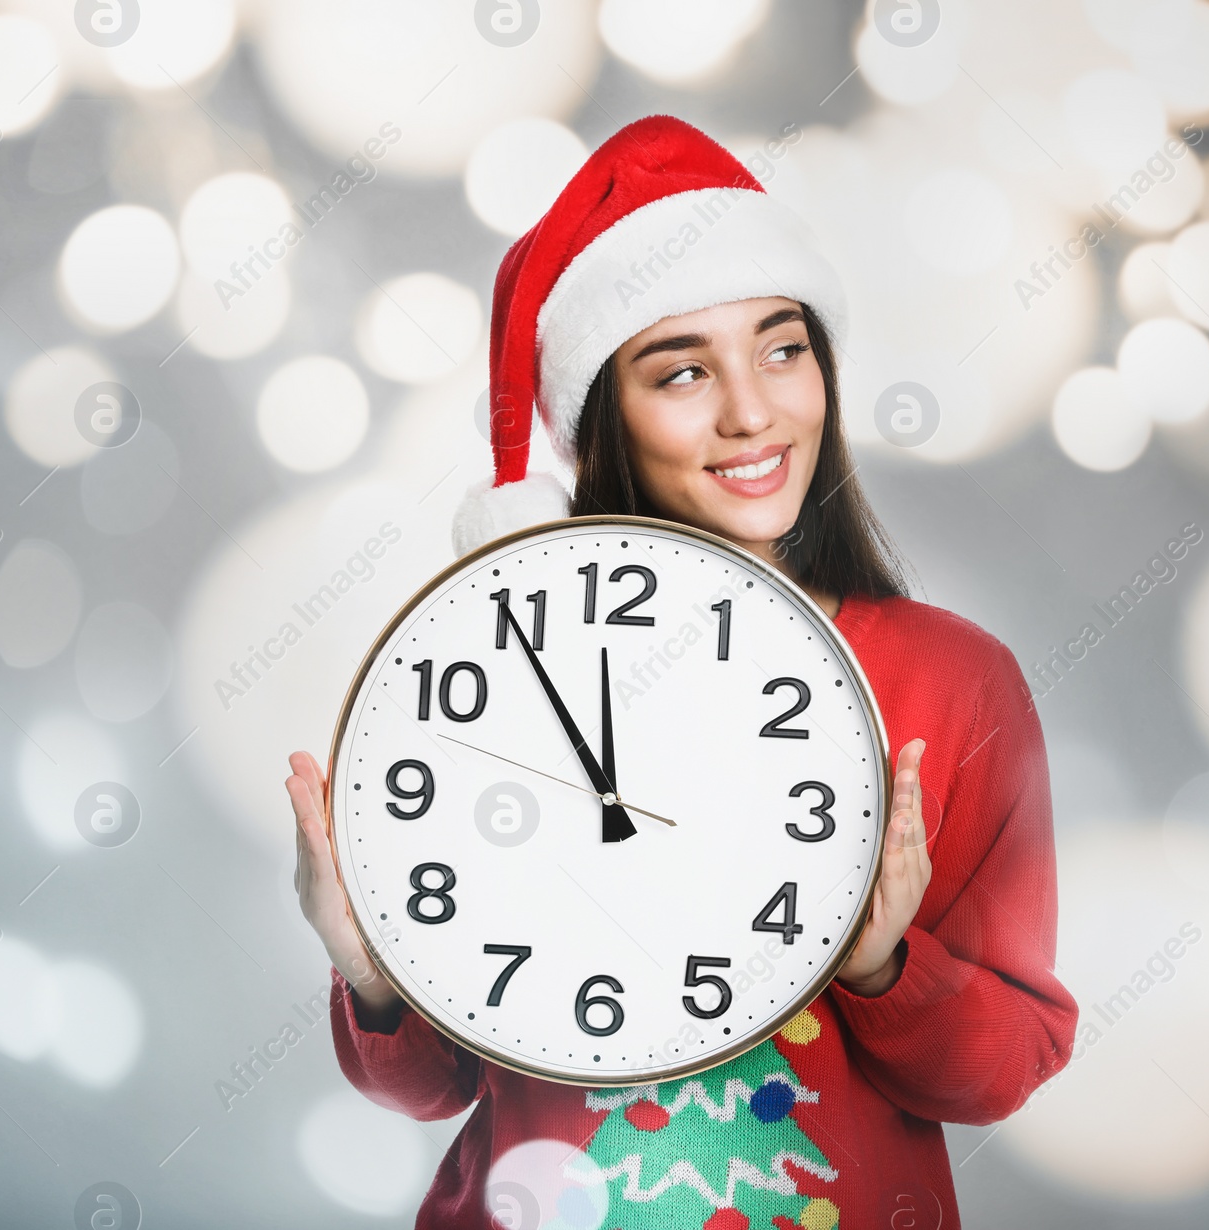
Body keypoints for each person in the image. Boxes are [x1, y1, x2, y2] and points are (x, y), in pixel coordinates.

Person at [285, 114, 1078, 1230]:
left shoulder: (954, 680)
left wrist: (880, 967)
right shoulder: (491, 674)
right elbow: (430, 1088)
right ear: (605, 415)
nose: (752, 410)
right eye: (681, 372)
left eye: (782, 347)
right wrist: (373, 969)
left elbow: (1000, 1070)